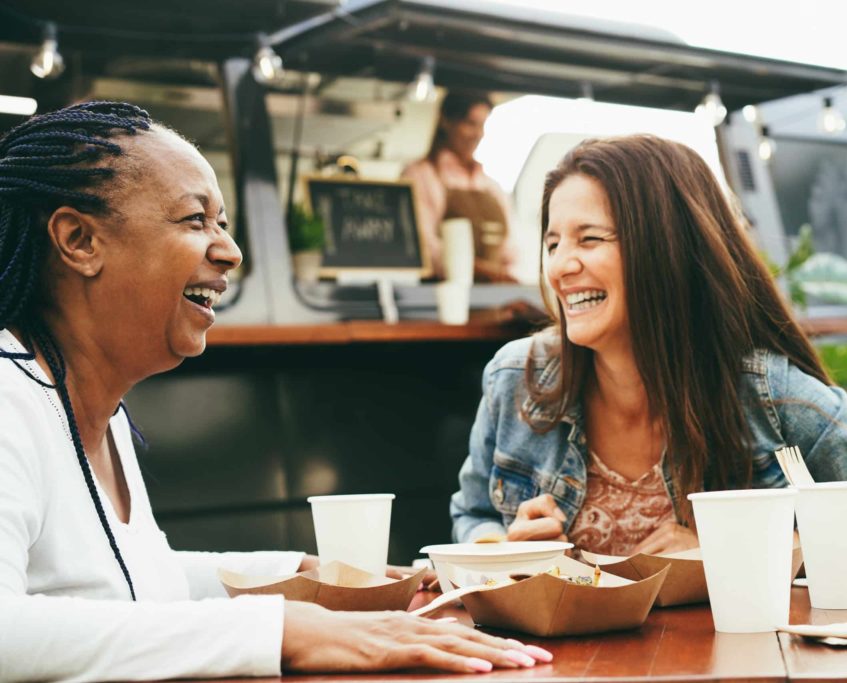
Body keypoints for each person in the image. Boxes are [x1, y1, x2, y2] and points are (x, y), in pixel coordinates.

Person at [0, 101, 551, 681]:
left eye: (224, 224)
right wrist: (286, 630)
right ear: (78, 239)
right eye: (196, 220)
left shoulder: (95, 409)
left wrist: (309, 578)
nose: (230, 251)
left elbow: (138, 581)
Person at [450, 134, 847, 574]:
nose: (561, 266)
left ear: (666, 247)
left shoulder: (767, 396)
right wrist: (499, 550)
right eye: (552, 243)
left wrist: (744, 553)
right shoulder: (516, 378)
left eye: (589, 239)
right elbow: (473, 514)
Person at [401, 90, 516, 282]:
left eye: (482, 126)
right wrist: (484, 270)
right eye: (470, 124)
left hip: (497, 301)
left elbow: (512, 249)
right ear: (446, 122)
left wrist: (508, 275)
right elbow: (423, 247)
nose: (478, 134)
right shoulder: (420, 175)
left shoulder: (491, 185)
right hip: (443, 300)